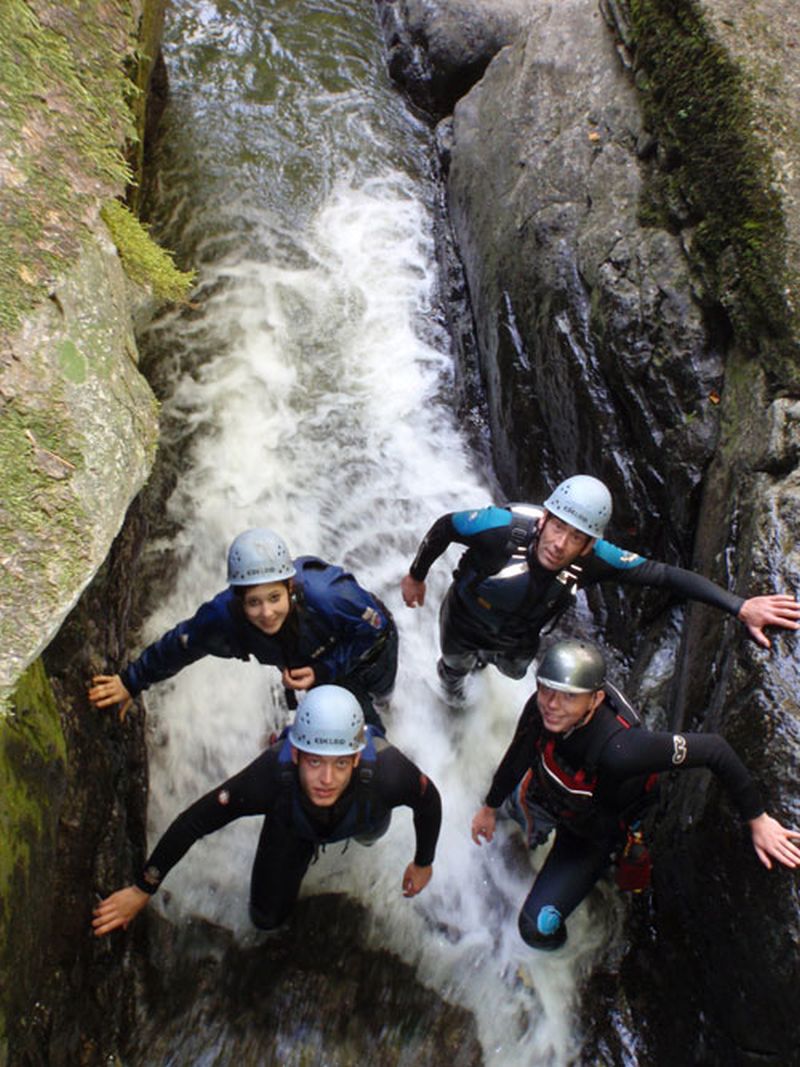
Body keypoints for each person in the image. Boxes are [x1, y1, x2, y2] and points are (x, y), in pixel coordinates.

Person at [470, 639, 800, 951]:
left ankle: (559, 963)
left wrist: (758, 819)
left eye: (569, 696)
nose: (552, 705)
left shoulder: (623, 750)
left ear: (595, 700)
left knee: (536, 930)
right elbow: (520, 753)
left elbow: (715, 749)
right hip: (545, 796)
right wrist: (489, 806)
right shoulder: (544, 707)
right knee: (498, 814)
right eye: (546, 690)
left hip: (589, 838)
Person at [400, 475, 800, 698]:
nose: (560, 544)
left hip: (519, 637)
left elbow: (664, 575)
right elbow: (447, 526)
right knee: (454, 669)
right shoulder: (498, 528)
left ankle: (487, 664)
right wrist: (417, 575)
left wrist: (739, 606)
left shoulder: (595, 560)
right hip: (465, 619)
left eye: (576, 537)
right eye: (557, 527)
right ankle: (454, 696)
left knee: (513, 672)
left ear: (590, 544)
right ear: (543, 519)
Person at [92, 685, 440, 936]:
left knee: (369, 837)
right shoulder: (271, 776)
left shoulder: (389, 773)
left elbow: (429, 802)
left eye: (339, 765)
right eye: (315, 762)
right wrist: (143, 888)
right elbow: (195, 821)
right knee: (265, 918)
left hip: (364, 815)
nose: (326, 779)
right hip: (292, 826)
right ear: (297, 755)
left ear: (355, 759)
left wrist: (423, 861)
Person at [89, 527, 397, 727]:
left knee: (381, 695)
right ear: (239, 599)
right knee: (354, 728)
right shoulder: (224, 617)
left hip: (370, 651)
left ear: (290, 586)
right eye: (254, 602)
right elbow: (182, 644)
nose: (266, 613)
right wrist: (132, 681)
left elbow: (375, 629)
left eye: (274, 597)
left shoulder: (329, 596)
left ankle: (385, 707)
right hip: (314, 667)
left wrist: (324, 669)